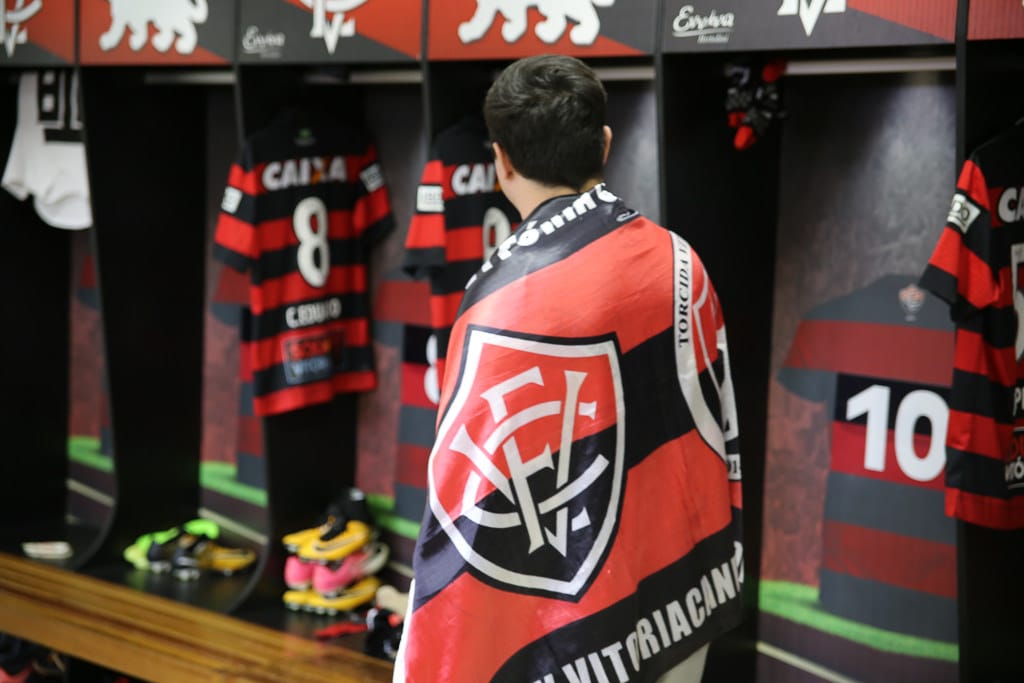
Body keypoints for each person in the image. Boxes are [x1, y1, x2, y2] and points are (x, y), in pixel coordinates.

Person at [395, 54, 744, 683]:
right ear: (604, 144)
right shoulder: (681, 260)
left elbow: (462, 508)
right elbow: (713, 432)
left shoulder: (494, 301)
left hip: (566, 630)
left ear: (500, 160)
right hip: (677, 589)